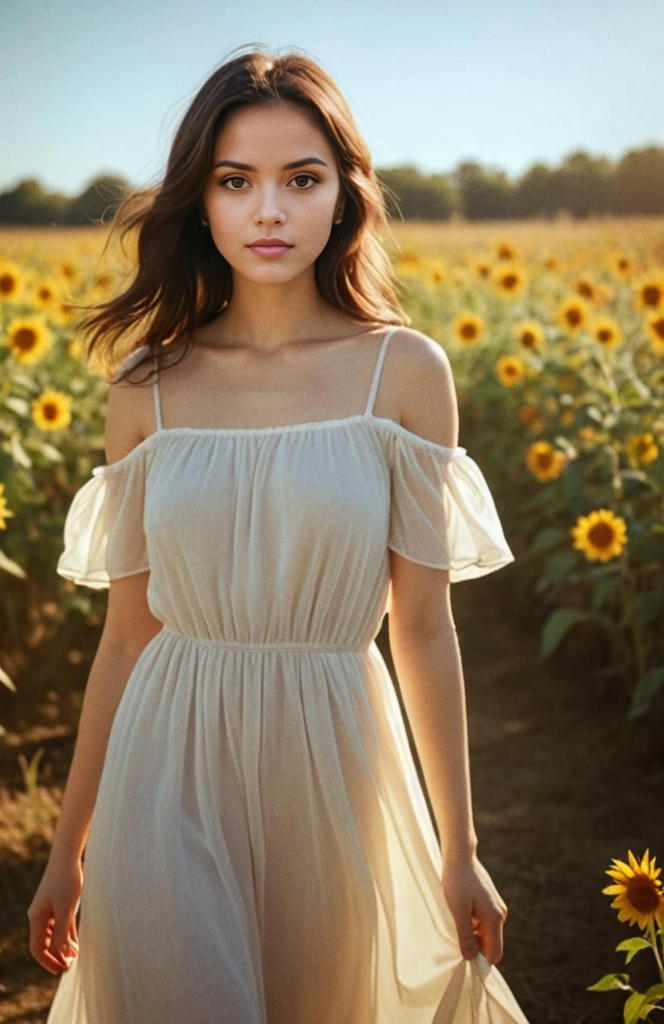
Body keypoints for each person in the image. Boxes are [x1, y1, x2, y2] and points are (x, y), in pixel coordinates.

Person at [29, 44, 530, 1024]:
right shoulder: (146, 386)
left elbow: (423, 627)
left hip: (335, 754)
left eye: (301, 179)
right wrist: (65, 845)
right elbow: (127, 635)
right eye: (235, 181)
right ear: (201, 202)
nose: (269, 211)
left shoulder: (406, 374)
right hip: (170, 759)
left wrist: (459, 847)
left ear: (344, 194)